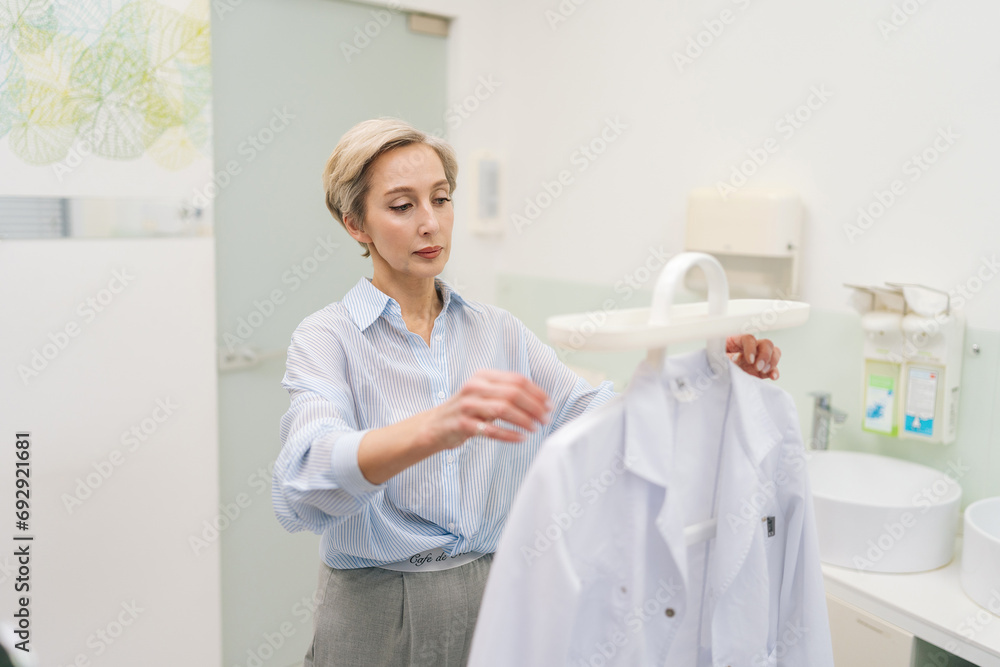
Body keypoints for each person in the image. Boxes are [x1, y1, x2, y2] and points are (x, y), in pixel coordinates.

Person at [271, 118, 783, 667]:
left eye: (440, 199)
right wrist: (434, 428)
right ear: (355, 224)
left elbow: (598, 419)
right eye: (402, 206)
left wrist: (708, 375)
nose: (430, 223)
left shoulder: (498, 331)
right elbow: (303, 480)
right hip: (375, 608)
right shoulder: (327, 338)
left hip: (495, 596)